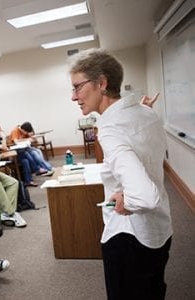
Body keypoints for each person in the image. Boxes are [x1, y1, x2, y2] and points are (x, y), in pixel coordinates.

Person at [69, 48, 172, 300]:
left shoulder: (111, 129)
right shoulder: (145, 113)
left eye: (77, 87)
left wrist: (127, 200)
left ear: (101, 83)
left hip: (129, 236)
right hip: (159, 230)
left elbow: (145, 197)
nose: (74, 97)